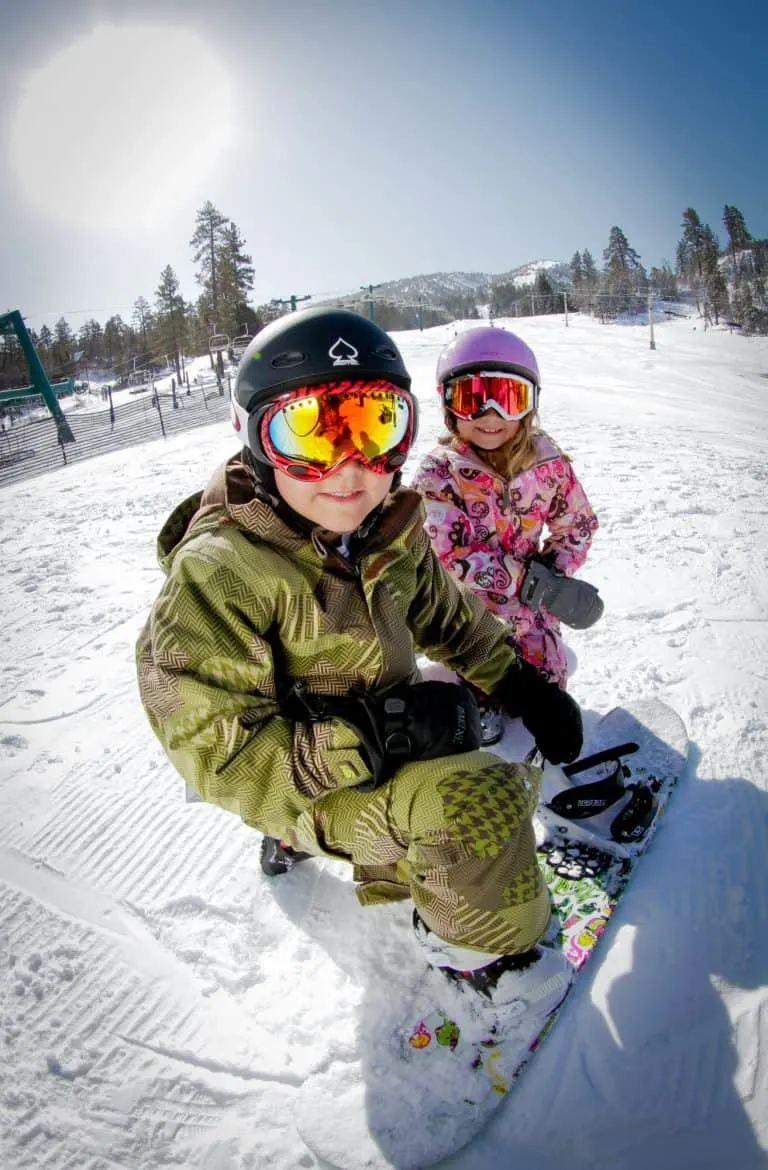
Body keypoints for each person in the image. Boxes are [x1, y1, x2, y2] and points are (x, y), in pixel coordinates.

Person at [135, 307, 582, 1019]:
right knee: (474, 801)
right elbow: (215, 753)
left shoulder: (387, 528)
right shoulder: (221, 574)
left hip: (371, 731)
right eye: (309, 431)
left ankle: (392, 845)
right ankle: (485, 959)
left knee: (495, 735)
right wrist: (379, 736)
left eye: (374, 428)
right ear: (254, 438)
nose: (348, 469)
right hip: (308, 776)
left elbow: (450, 618)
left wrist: (522, 683)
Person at [411, 326, 600, 746]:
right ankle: (480, 727)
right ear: (447, 404)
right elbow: (445, 552)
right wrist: (519, 578)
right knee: (480, 684)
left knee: (547, 691)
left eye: (508, 398)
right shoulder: (439, 473)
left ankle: (532, 747)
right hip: (465, 613)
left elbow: (578, 523)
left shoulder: (547, 463)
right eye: (472, 399)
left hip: (533, 608)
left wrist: (553, 572)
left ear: (529, 404)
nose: (490, 415)